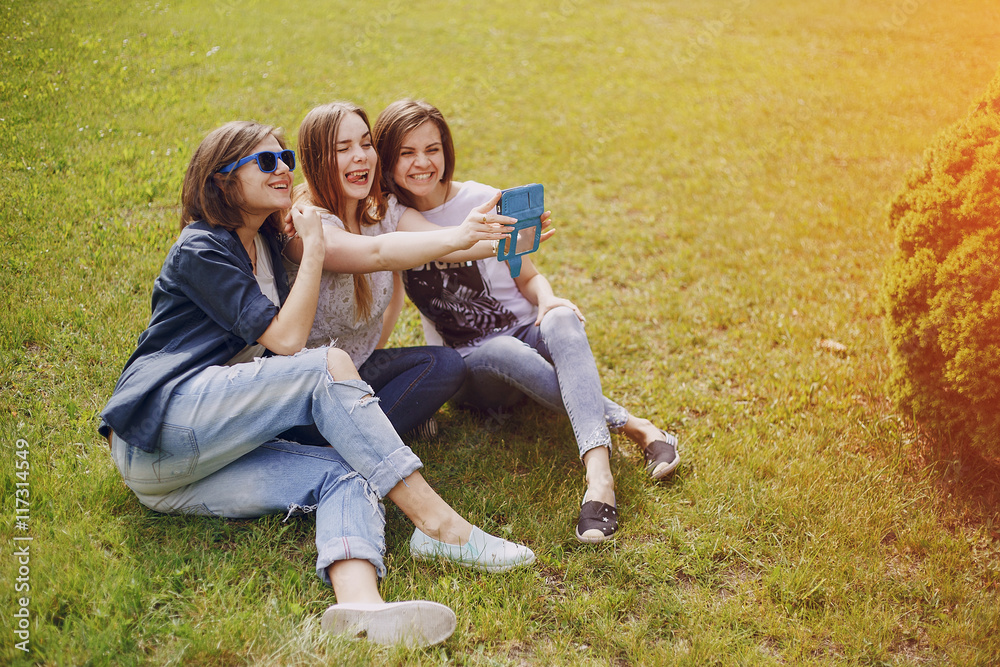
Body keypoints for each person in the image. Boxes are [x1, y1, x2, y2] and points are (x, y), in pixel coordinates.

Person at [98, 121, 535, 648]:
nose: (283, 167)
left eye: (285, 157)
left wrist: (481, 238)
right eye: (265, 162)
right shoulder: (202, 249)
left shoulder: (264, 241)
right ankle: (442, 527)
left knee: (347, 473)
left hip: (186, 473)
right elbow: (287, 339)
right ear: (222, 180)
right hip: (161, 431)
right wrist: (315, 243)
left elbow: (386, 252)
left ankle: (360, 606)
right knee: (320, 364)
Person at [372, 100, 682, 545]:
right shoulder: (394, 219)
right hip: (470, 369)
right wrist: (375, 362)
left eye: (432, 148)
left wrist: (549, 301)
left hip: (524, 333)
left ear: (447, 151)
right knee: (502, 349)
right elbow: (395, 296)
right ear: (387, 159)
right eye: (406, 153)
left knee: (561, 320)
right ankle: (635, 427)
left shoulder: (482, 199)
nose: (422, 163)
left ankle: (600, 479)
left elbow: (528, 275)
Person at [283, 101, 539, 439]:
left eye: (365, 143)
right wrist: (463, 236)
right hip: (310, 387)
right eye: (343, 148)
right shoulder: (307, 228)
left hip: (360, 368)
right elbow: (378, 254)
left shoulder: (381, 212)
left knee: (445, 365)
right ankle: (342, 440)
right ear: (316, 160)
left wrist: (508, 241)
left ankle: (362, 428)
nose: (360, 155)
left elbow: (437, 240)